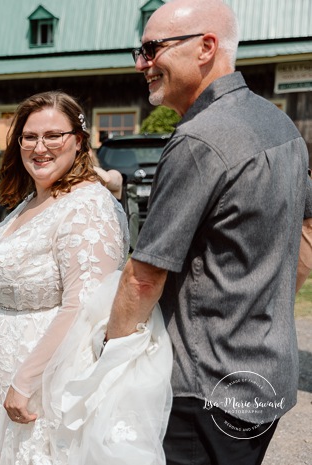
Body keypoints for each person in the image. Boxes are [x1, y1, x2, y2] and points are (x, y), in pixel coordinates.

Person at [104, 1, 312, 464]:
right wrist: (264, 301)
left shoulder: (199, 139)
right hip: (265, 378)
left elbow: (143, 278)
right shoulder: (280, 124)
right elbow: (308, 230)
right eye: (140, 50)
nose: (142, 63)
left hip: (204, 387)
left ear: (207, 47)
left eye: (153, 48)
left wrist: (107, 366)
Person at [0, 90, 173, 465]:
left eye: (53, 136)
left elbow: (83, 307)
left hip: (40, 377)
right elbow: (40, 263)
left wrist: (26, 380)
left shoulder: (89, 207)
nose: (39, 147)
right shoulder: (36, 197)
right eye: (29, 137)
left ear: (78, 141)